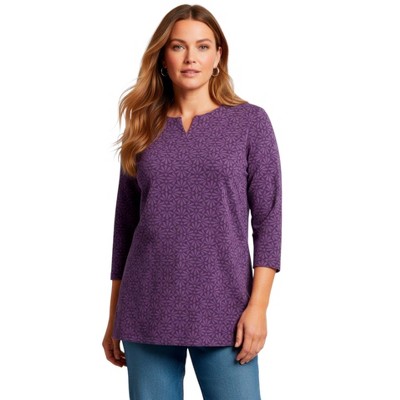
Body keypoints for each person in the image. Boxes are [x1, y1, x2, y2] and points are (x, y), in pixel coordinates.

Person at [102, 4, 282, 400]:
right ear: (162, 57)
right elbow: (125, 226)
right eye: (178, 46)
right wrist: (115, 314)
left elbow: (268, 220)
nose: (190, 58)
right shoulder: (142, 125)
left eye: (202, 46)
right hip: (146, 307)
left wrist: (259, 307)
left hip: (226, 309)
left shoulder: (249, 122)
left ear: (218, 56)